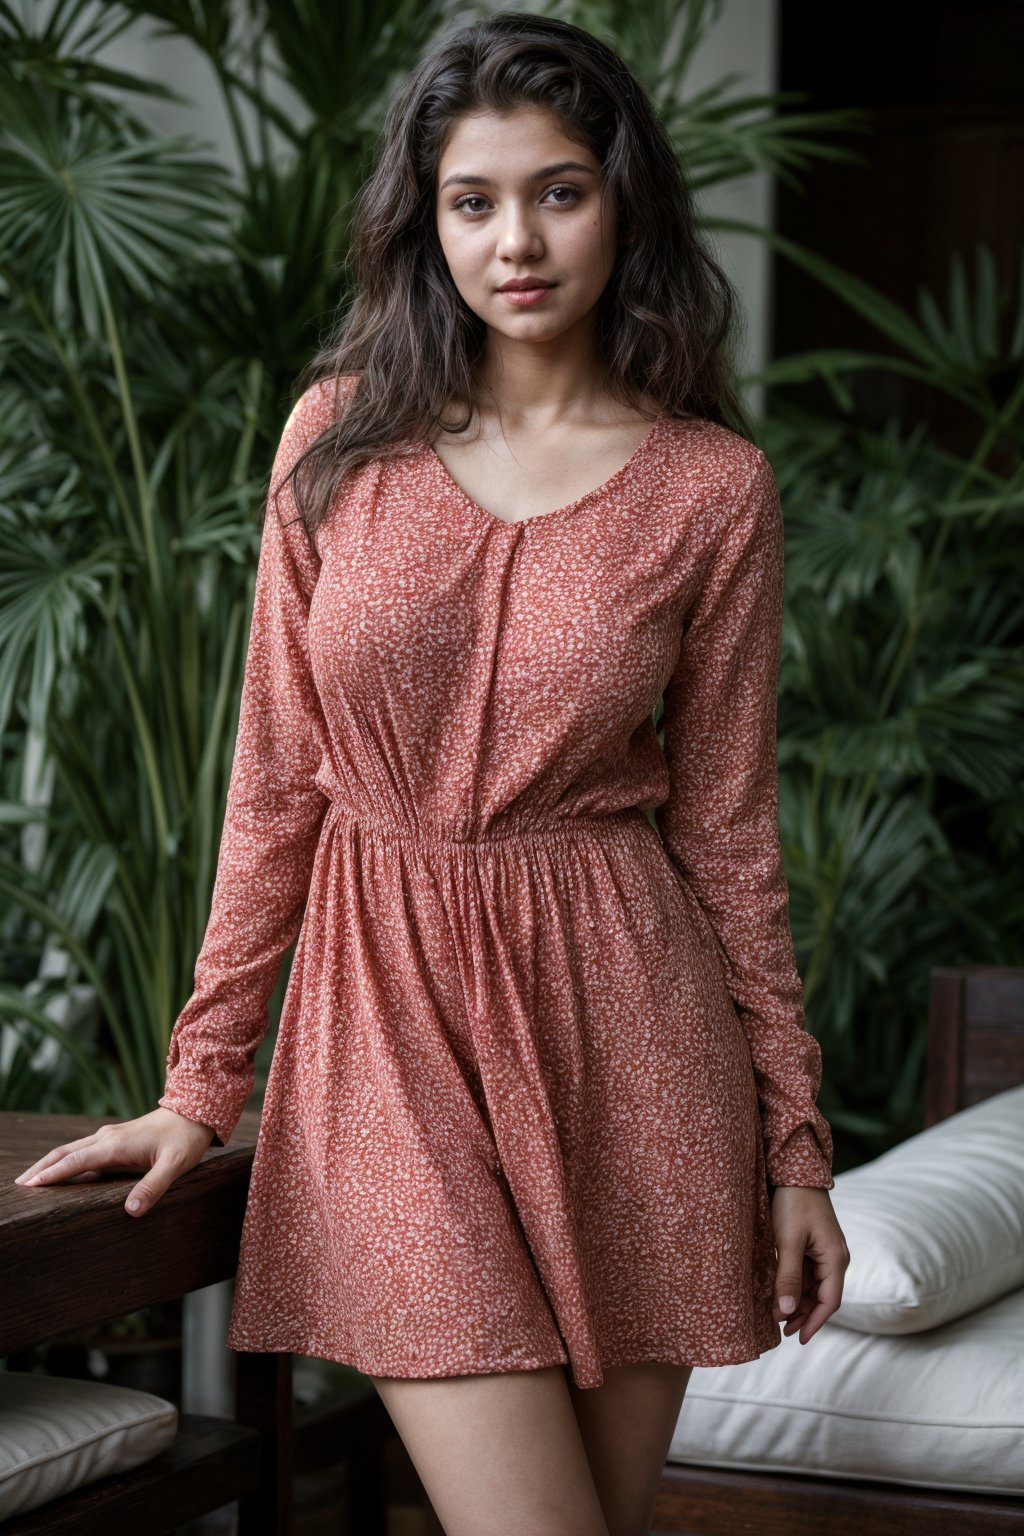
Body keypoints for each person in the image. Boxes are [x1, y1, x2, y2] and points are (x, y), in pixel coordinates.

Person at [14, 12, 850, 1535]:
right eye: (473, 200)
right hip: (382, 1024)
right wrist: (203, 1082)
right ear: (427, 220)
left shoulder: (712, 490)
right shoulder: (335, 441)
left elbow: (729, 837)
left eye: (560, 191)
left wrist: (796, 1148)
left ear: (628, 203)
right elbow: (275, 779)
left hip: (634, 1039)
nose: (514, 240)